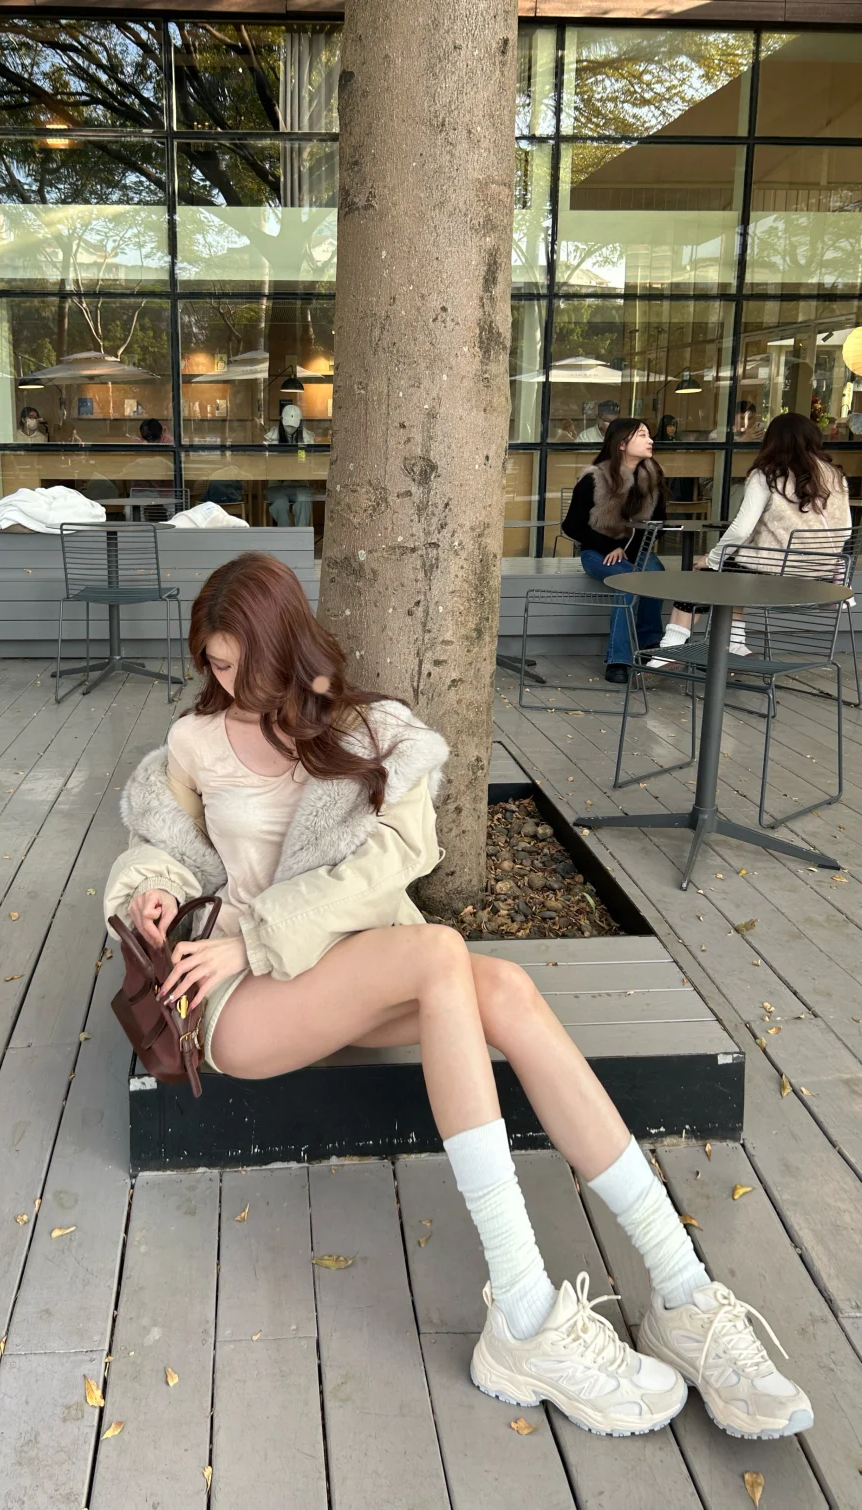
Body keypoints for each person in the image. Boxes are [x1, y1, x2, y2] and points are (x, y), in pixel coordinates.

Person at [104, 552, 812, 1443]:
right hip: (240, 993)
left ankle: (684, 1292)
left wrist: (267, 932)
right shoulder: (194, 741)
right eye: (214, 663)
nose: (229, 683)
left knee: (504, 987)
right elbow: (160, 846)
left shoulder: (370, 731)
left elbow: (392, 865)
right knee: (443, 954)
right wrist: (151, 891)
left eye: (244, 663)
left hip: (335, 961)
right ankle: (524, 1310)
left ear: (286, 644)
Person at [654, 413, 853, 662]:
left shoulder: (768, 475)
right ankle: (736, 646)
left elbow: (741, 529)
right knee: (733, 572)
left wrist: (711, 559)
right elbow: (846, 530)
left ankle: (666, 654)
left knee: (702, 578)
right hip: (822, 574)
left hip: (775, 573)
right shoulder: (836, 476)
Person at [563, 418, 680, 683]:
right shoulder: (595, 477)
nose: (650, 440)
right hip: (597, 551)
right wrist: (611, 546)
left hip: (636, 550)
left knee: (655, 575)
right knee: (629, 583)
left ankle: (650, 646)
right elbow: (571, 525)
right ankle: (619, 659)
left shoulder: (652, 477)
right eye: (642, 435)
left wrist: (629, 549)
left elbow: (658, 524)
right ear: (622, 444)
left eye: (649, 435)